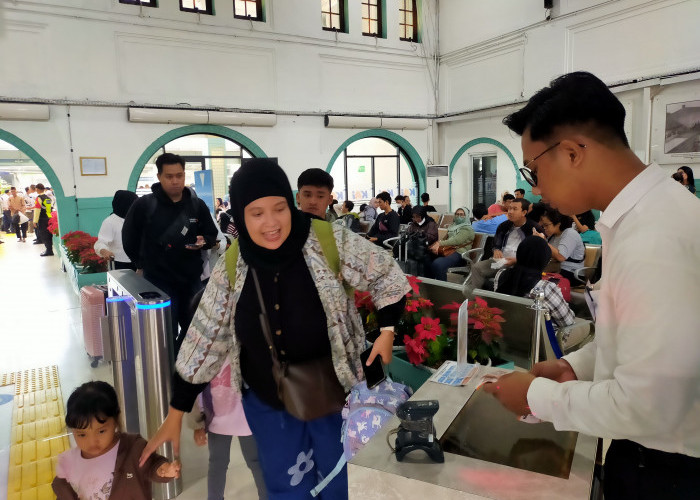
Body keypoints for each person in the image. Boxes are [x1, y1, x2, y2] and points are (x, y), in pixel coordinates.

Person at [484, 71, 700, 500]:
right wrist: (574, 368)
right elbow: (639, 342)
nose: (536, 187)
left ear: (571, 153)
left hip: (666, 470)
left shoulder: (654, 236)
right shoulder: (643, 217)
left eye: (534, 168)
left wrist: (537, 397)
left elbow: (648, 405)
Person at [139, 158, 410, 499]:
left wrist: (387, 330)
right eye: (256, 213)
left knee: (343, 483)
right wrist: (176, 411)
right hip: (268, 402)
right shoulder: (233, 264)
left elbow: (386, 274)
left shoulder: (328, 241)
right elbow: (205, 338)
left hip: (336, 397)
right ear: (240, 215)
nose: (271, 223)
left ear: (289, 203)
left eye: (279, 208)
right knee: (287, 487)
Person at [122, 153, 218, 354]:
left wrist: (204, 241)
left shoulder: (196, 204)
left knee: (197, 328)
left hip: (191, 280)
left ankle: (187, 368)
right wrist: (141, 264)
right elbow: (129, 237)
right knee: (165, 333)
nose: (175, 181)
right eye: (169, 176)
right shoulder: (144, 205)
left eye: (179, 175)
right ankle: (170, 373)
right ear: (159, 177)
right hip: (158, 281)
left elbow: (211, 232)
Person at [52, 381, 180, 500]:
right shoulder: (70, 463)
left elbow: (152, 464)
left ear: (116, 420)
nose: (92, 442)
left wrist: (163, 470)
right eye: (81, 435)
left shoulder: (133, 447)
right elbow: (62, 490)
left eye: (101, 431)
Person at [188, 358, 267, 500]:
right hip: (219, 418)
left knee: (254, 462)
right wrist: (197, 424)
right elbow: (195, 384)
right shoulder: (207, 348)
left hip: (245, 417)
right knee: (219, 463)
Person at [494, 236, 581, 348]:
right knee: (585, 327)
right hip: (542, 346)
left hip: (507, 339)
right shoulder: (545, 288)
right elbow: (568, 322)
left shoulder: (500, 276)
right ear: (544, 260)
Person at [463, 198, 537, 294]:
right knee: (477, 268)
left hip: (520, 265)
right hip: (501, 262)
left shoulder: (533, 229)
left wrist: (517, 260)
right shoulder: (503, 226)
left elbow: (535, 255)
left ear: (524, 212)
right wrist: (496, 250)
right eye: (509, 208)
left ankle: (502, 302)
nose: (510, 212)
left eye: (514, 209)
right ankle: (476, 301)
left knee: (507, 277)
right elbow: (496, 243)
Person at [534, 207, 585, 284]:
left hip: (570, 273)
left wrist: (543, 241)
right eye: (543, 225)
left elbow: (560, 256)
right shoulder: (553, 235)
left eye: (546, 225)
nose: (544, 228)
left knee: (535, 280)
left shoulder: (570, 233)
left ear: (558, 224)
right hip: (556, 270)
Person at [94, 190, 139, 270]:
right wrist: (104, 251)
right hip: (119, 263)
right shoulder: (110, 222)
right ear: (124, 204)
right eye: (133, 203)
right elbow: (101, 242)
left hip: (138, 262)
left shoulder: (136, 218)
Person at [429, 207, 475, 281]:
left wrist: (439, 243)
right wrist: (436, 246)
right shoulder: (453, 226)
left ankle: (442, 287)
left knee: (438, 264)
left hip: (460, 254)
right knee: (426, 258)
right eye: (457, 214)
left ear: (466, 216)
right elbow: (446, 239)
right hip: (448, 250)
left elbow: (456, 240)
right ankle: (430, 284)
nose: (459, 216)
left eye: (462, 215)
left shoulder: (467, 229)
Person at [33, 183, 53, 255]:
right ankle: (50, 250)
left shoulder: (39, 198)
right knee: (49, 234)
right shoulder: (47, 198)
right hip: (49, 218)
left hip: (42, 219)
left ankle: (49, 251)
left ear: (37, 189)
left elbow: (37, 210)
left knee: (44, 235)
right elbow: (49, 208)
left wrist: (35, 221)